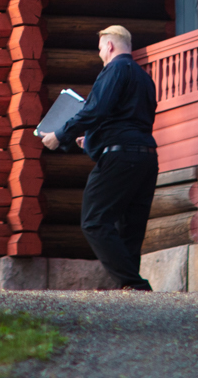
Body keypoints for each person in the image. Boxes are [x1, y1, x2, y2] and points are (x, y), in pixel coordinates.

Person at [41, 24, 159, 291]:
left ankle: (134, 284)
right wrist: (93, 140)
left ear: (109, 45)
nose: (100, 55)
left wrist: (61, 134)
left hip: (120, 158)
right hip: (147, 158)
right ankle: (131, 292)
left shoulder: (114, 70)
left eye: (100, 50)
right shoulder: (145, 79)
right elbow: (128, 120)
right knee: (130, 227)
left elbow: (96, 110)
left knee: (94, 221)